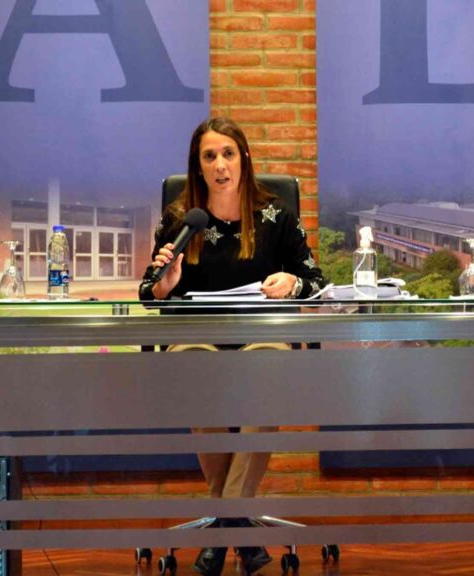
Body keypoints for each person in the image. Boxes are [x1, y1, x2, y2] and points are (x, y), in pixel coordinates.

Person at [139, 117, 326, 576]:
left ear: (244, 158)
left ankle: (225, 522)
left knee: (269, 365)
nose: (220, 165)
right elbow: (147, 293)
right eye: (209, 156)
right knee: (193, 367)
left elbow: (316, 282)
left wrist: (292, 282)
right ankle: (237, 523)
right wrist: (166, 283)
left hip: (262, 335)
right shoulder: (181, 221)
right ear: (198, 166)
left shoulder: (276, 216)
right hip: (196, 337)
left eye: (228, 154)